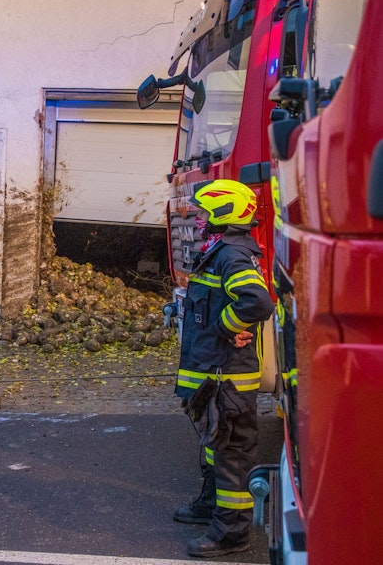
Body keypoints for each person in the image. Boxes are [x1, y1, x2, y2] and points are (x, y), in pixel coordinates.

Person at [172, 179, 274, 558]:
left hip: (226, 377)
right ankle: (212, 505)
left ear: (223, 212)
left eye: (202, 212)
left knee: (231, 449)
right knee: (216, 443)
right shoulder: (222, 250)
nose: (197, 218)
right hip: (214, 373)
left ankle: (231, 532)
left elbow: (256, 301)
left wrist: (225, 328)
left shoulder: (232, 255)